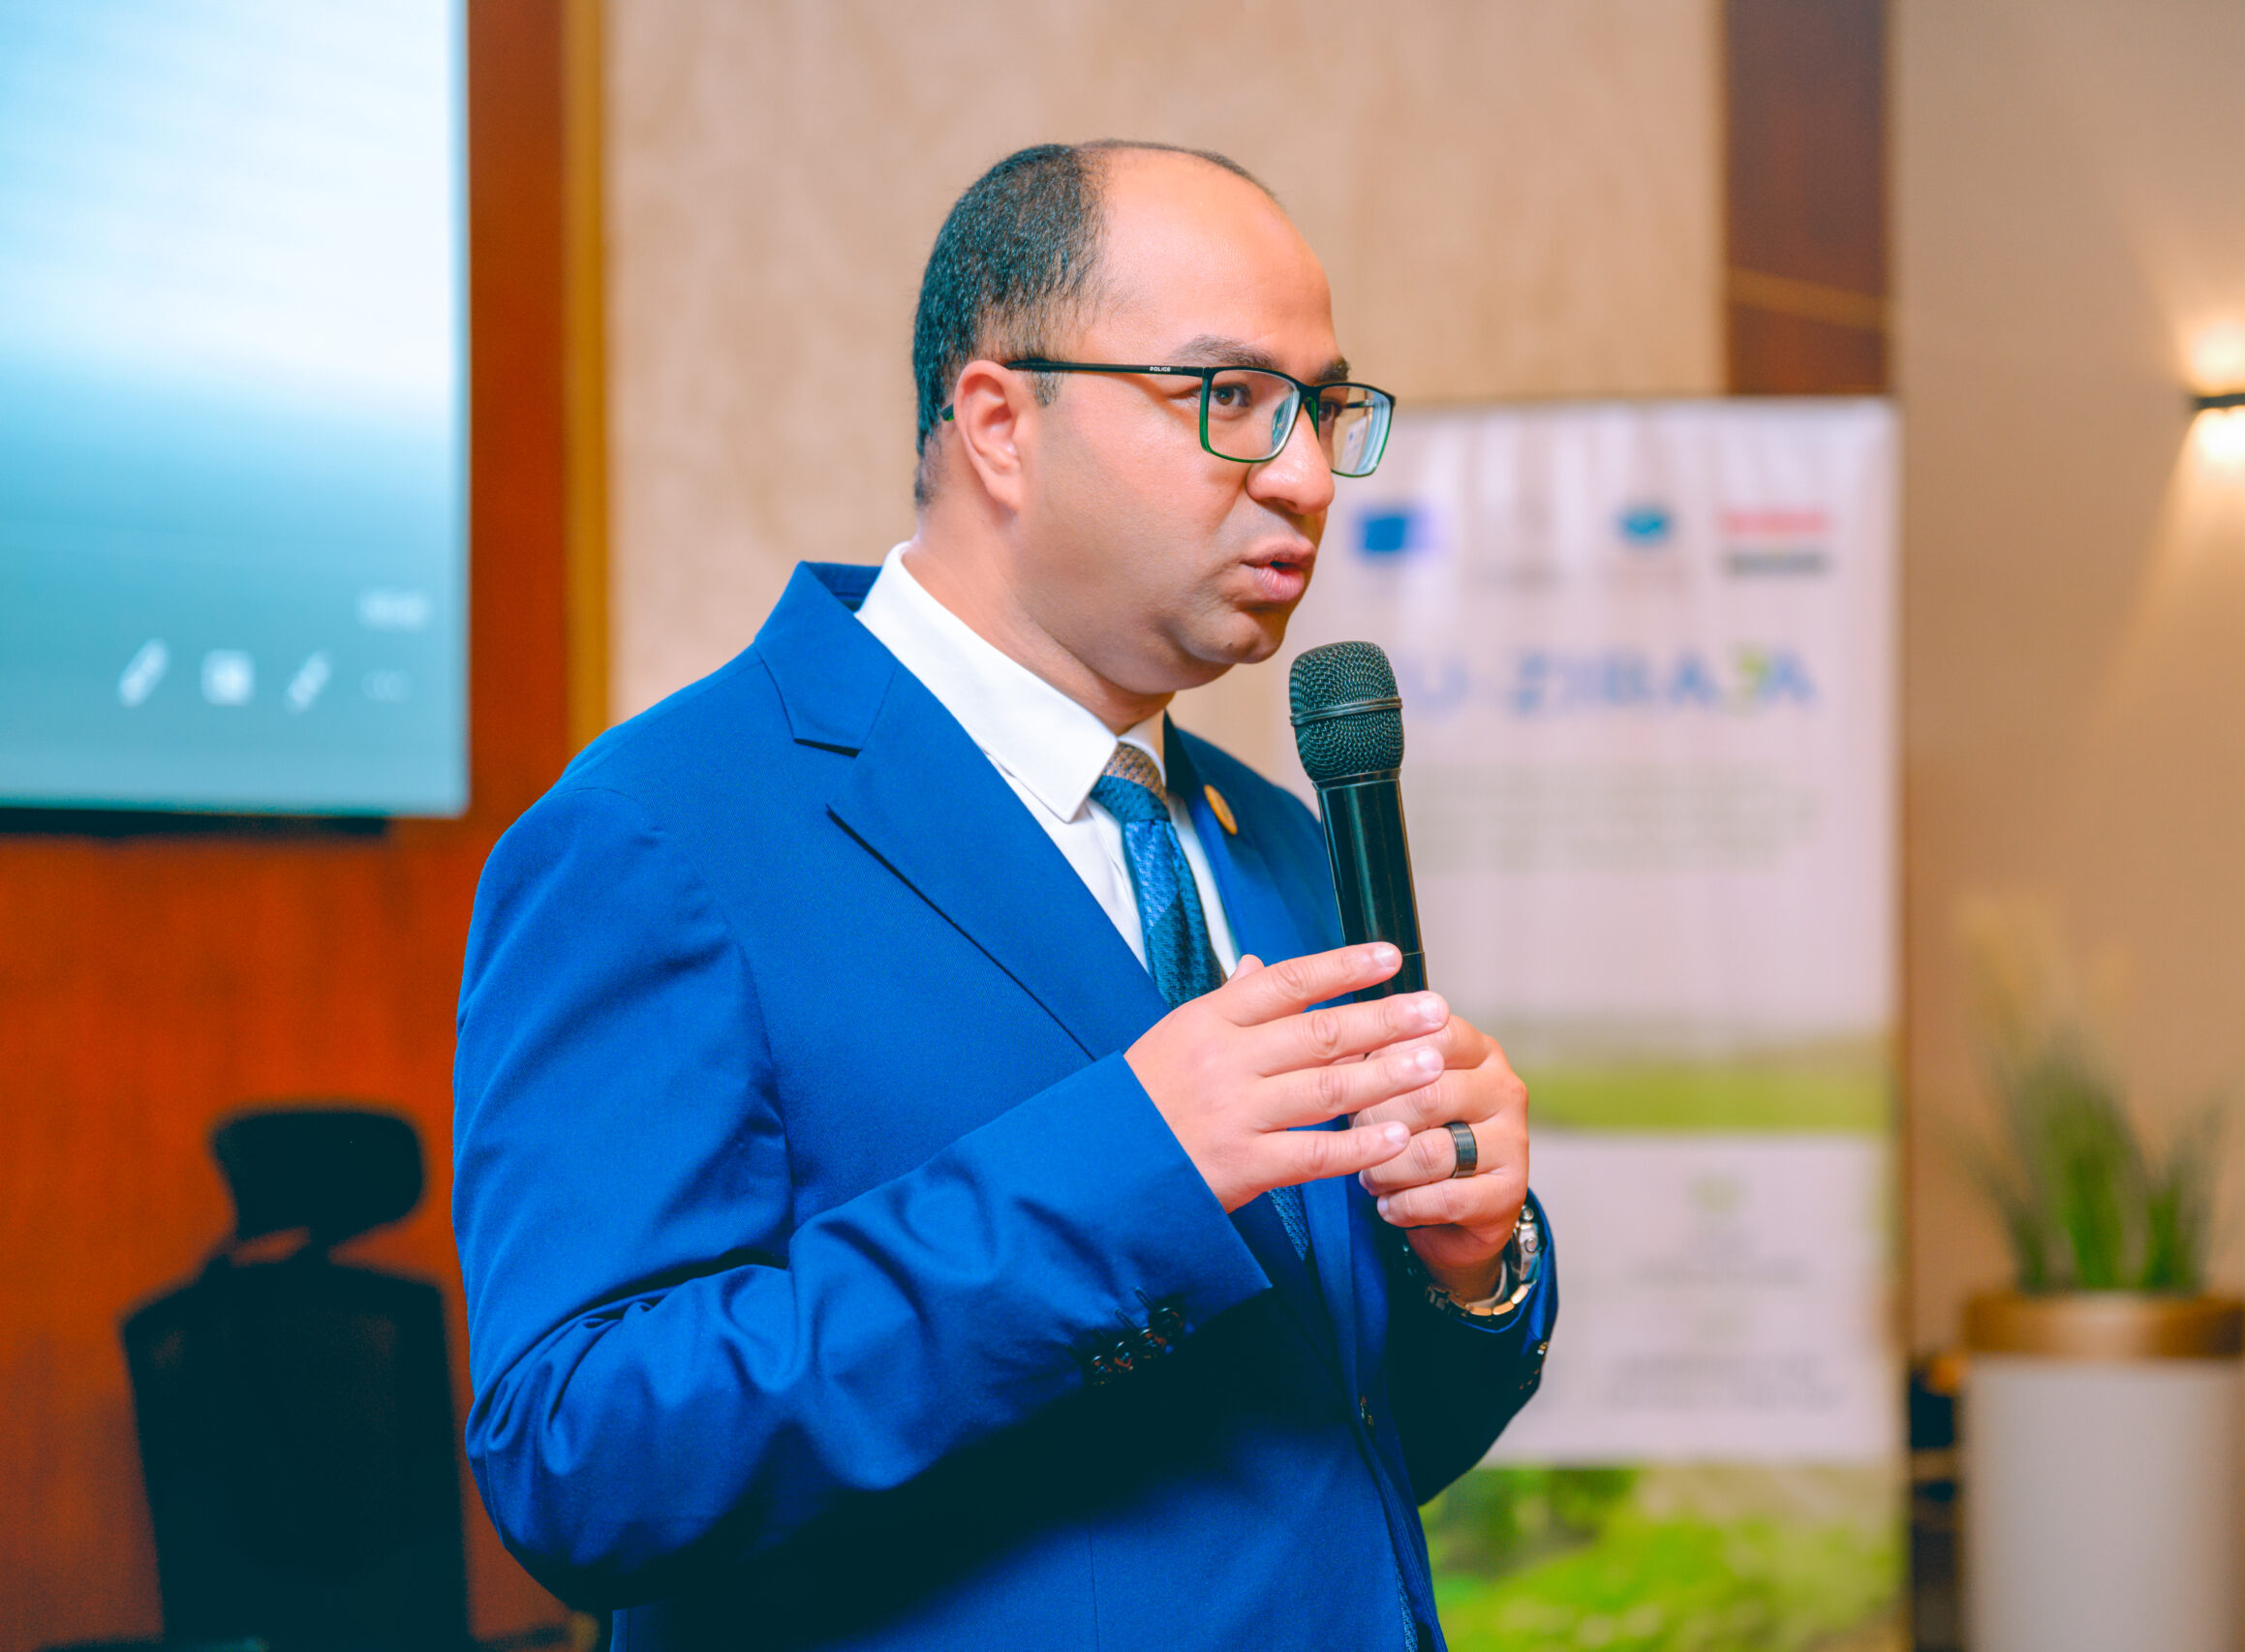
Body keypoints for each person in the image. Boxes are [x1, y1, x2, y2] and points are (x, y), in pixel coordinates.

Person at [453, 139, 1554, 1652]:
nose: (1304, 472)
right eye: (1232, 398)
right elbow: (581, 1457)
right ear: (999, 425)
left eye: (1324, 407)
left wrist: (1472, 1270)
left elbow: (1329, 1450)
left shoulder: (1280, 839)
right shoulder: (661, 832)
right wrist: (1130, 1170)